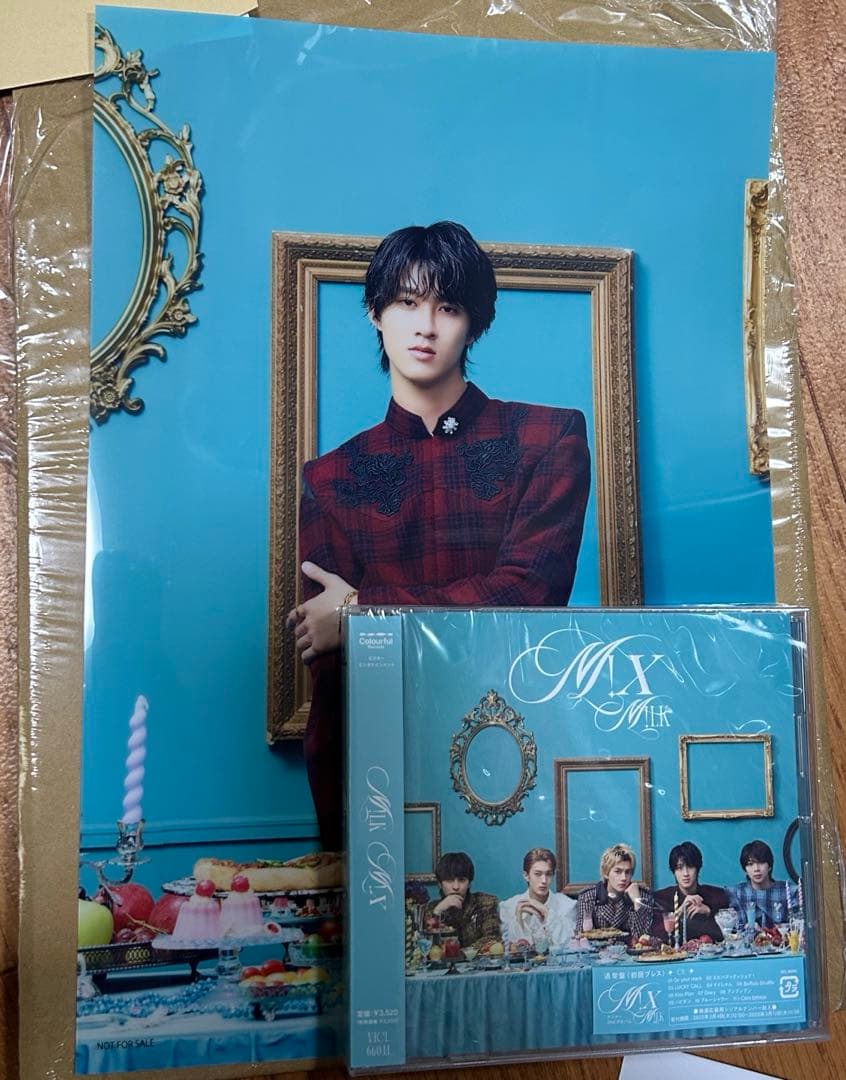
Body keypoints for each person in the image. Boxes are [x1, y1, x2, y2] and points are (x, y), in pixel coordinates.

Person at [288, 221, 591, 847]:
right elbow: (336, 679)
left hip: (523, 754)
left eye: (448, 307)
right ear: (375, 313)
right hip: (380, 776)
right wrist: (341, 840)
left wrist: (360, 611)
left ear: (474, 323)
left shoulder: (548, 438)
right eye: (406, 302)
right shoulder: (329, 479)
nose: (425, 326)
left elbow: (527, 595)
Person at [499, 847, 578, 948]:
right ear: (526, 876)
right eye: (538, 874)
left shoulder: (567, 906)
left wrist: (547, 912)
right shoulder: (508, 907)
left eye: (548, 874)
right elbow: (510, 952)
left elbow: (570, 945)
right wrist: (519, 921)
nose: (544, 880)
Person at [653, 841, 729, 943]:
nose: (685, 873)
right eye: (679, 868)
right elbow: (656, 938)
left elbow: (729, 935)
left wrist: (709, 912)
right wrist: (680, 911)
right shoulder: (662, 898)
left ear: (698, 869)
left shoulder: (717, 895)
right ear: (673, 871)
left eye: (690, 867)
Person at [422, 852, 501, 950]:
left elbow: (492, 938)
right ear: (440, 884)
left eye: (462, 880)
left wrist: (461, 953)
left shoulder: (485, 902)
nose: (456, 887)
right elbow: (429, 948)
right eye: (449, 880)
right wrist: (438, 912)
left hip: (476, 959)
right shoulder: (432, 908)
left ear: (469, 883)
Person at [576, 843, 654, 938]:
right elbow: (581, 937)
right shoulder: (588, 897)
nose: (624, 878)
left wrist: (637, 902)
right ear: (606, 873)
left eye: (628, 872)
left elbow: (644, 938)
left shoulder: (643, 896)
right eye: (618, 872)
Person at [728, 839, 798, 929]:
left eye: (761, 863)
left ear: (769, 866)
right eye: (750, 864)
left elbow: (796, 926)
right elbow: (737, 928)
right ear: (745, 869)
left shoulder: (787, 890)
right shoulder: (739, 892)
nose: (756, 869)